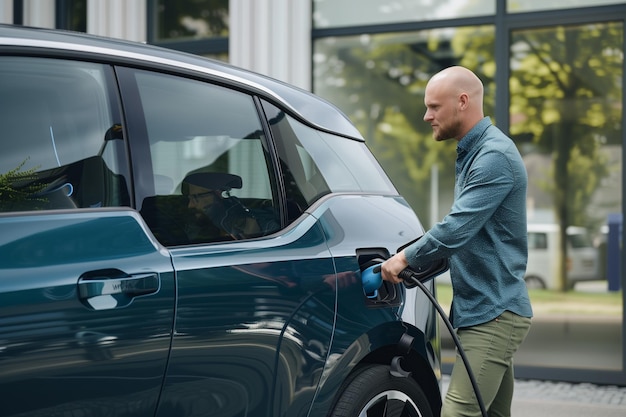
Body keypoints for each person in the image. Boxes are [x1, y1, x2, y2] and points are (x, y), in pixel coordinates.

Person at [381, 66, 533, 417]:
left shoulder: (493, 156)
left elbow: (458, 228)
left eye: (434, 107)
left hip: (493, 315)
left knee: (457, 413)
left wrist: (405, 259)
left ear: (462, 102)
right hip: (484, 311)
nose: (426, 115)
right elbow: (471, 233)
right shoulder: (473, 153)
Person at [183, 172, 263, 240]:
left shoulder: (242, 221)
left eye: (196, 197)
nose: (190, 205)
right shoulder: (190, 222)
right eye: (189, 198)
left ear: (218, 194)